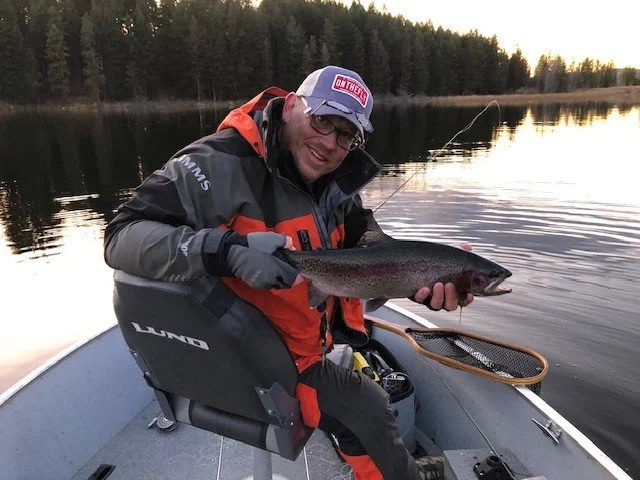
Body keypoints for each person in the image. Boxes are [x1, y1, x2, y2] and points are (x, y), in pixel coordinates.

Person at [104, 65, 472, 480]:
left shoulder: (336, 180)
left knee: (357, 391)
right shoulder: (215, 164)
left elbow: (369, 252)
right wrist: (226, 251)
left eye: (347, 135)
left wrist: (423, 275)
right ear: (292, 105)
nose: (330, 144)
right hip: (248, 359)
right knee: (369, 406)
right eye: (323, 121)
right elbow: (121, 236)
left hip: (303, 343)